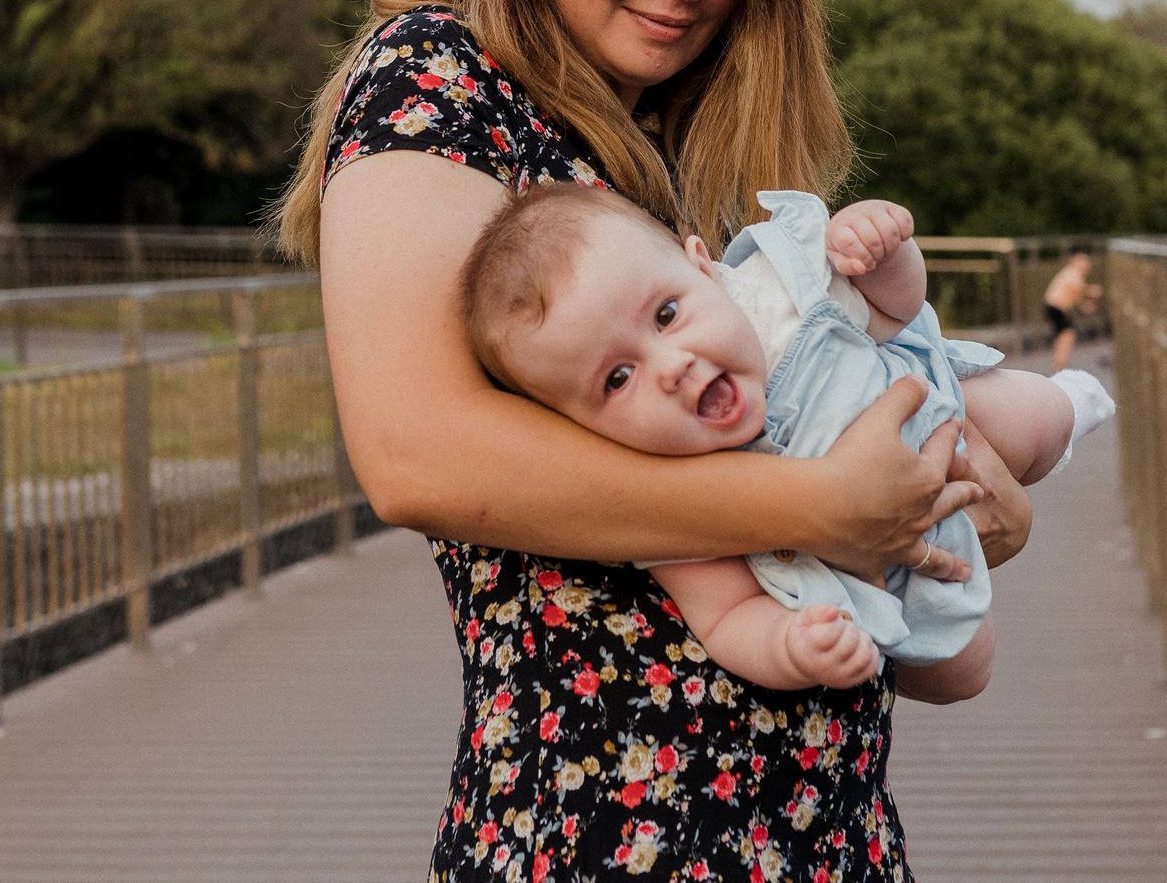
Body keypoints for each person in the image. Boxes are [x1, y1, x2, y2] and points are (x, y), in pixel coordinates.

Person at [283, 0, 1026, 881]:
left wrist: (941, 504)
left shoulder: (669, 143)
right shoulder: (440, 74)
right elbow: (415, 456)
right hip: (601, 843)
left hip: (819, 840)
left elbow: (820, 513)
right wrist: (824, 502)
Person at [462, 183, 1109, 692]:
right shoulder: (663, 496)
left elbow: (895, 307)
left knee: (1035, 418)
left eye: (666, 314)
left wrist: (881, 251)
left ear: (706, 270)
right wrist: (793, 646)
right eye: (617, 378)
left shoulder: (780, 301)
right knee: (965, 672)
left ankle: (1077, 403)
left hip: (941, 414)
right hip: (900, 566)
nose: (673, 367)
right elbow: (726, 617)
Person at [1042, 251, 1099, 374]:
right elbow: (1077, 294)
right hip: (1057, 307)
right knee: (1068, 333)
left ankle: (1059, 363)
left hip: (1055, 306)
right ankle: (1060, 364)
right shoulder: (1074, 274)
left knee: (1063, 334)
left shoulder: (1071, 273)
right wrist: (1087, 302)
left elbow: (1075, 294)